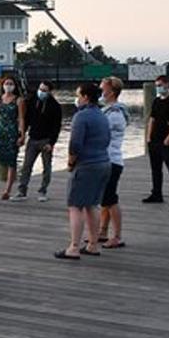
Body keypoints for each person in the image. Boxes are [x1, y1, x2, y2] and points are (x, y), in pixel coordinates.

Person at [54, 83, 111, 260]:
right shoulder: (102, 115)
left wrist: (71, 162)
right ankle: (93, 244)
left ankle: (74, 247)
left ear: (86, 97)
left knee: (75, 206)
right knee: (91, 204)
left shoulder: (81, 116)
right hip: (103, 163)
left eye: (78, 95)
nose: (76, 98)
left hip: (86, 165)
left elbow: (75, 144)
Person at [15, 80, 61, 202]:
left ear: (50, 92)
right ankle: (21, 190)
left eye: (44, 90)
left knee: (46, 167)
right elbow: (26, 119)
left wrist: (51, 143)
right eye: (40, 89)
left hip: (46, 140)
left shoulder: (55, 106)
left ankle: (43, 191)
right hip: (33, 138)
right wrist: (22, 135)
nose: (41, 92)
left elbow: (56, 127)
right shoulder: (32, 101)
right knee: (26, 166)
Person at [143, 74, 169, 206]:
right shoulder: (156, 101)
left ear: (167, 84)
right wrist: (148, 136)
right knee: (155, 169)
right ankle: (156, 194)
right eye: (157, 86)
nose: (159, 88)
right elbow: (152, 119)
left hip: (167, 140)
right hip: (154, 139)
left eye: (160, 85)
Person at [98, 76, 128, 248]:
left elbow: (100, 131)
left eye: (103, 89)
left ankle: (117, 236)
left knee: (110, 199)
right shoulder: (108, 110)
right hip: (105, 159)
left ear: (111, 91)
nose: (100, 91)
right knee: (104, 199)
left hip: (112, 160)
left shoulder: (115, 114)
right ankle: (102, 231)